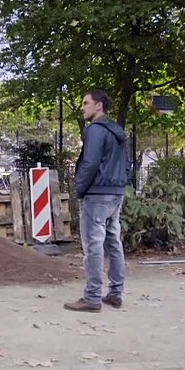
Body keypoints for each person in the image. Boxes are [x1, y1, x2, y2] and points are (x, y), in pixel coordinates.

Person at [64, 89, 128, 313]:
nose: (82, 107)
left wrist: (80, 189)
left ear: (98, 105)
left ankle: (92, 297)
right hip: (116, 192)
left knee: (93, 244)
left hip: (97, 193)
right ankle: (116, 294)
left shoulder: (94, 130)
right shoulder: (118, 132)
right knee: (113, 242)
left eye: (86, 103)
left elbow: (90, 163)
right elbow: (124, 164)